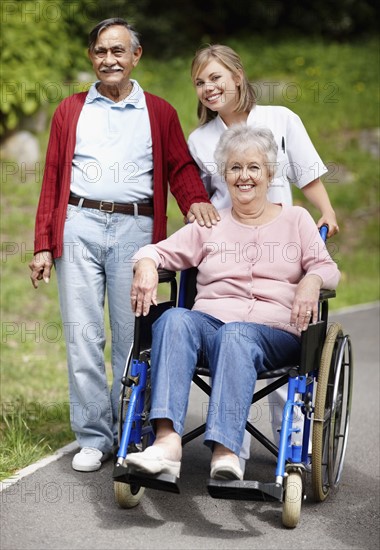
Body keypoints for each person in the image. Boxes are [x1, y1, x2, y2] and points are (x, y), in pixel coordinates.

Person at [28, 18, 219, 473]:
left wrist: (196, 202)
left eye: (118, 51)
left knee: (133, 340)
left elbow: (179, 167)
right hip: (78, 224)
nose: (108, 60)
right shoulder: (70, 110)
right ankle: (93, 436)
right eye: (100, 52)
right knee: (82, 335)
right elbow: (53, 178)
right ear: (91, 57)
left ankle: (129, 428)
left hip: (136, 231)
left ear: (136, 56)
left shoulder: (159, 111)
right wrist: (42, 244)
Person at [125, 125, 340, 481]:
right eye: (235, 168)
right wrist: (146, 264)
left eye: (254, 167)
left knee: (237, 334)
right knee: (174, 319)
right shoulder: (210, 223)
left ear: (269, 173)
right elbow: (157, 251)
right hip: (211, 331)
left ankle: (226, 451)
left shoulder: (296, 219)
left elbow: (328, 269)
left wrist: (312, 279)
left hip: (274, 337)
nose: (244, 176)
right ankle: (166, 443)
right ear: (224, 175)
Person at [187, 44, 340, 464]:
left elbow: (306, 171)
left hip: (280, 239)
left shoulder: (280, 118)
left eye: (215, 77)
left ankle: (288, 440)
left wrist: (325, 211)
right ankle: (230, 444)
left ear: (237, 75)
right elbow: (200, 197)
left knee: (278, 316)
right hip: (228, 244)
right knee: (233, 325)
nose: (208, 87)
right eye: (200, 82)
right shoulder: (199, 140)